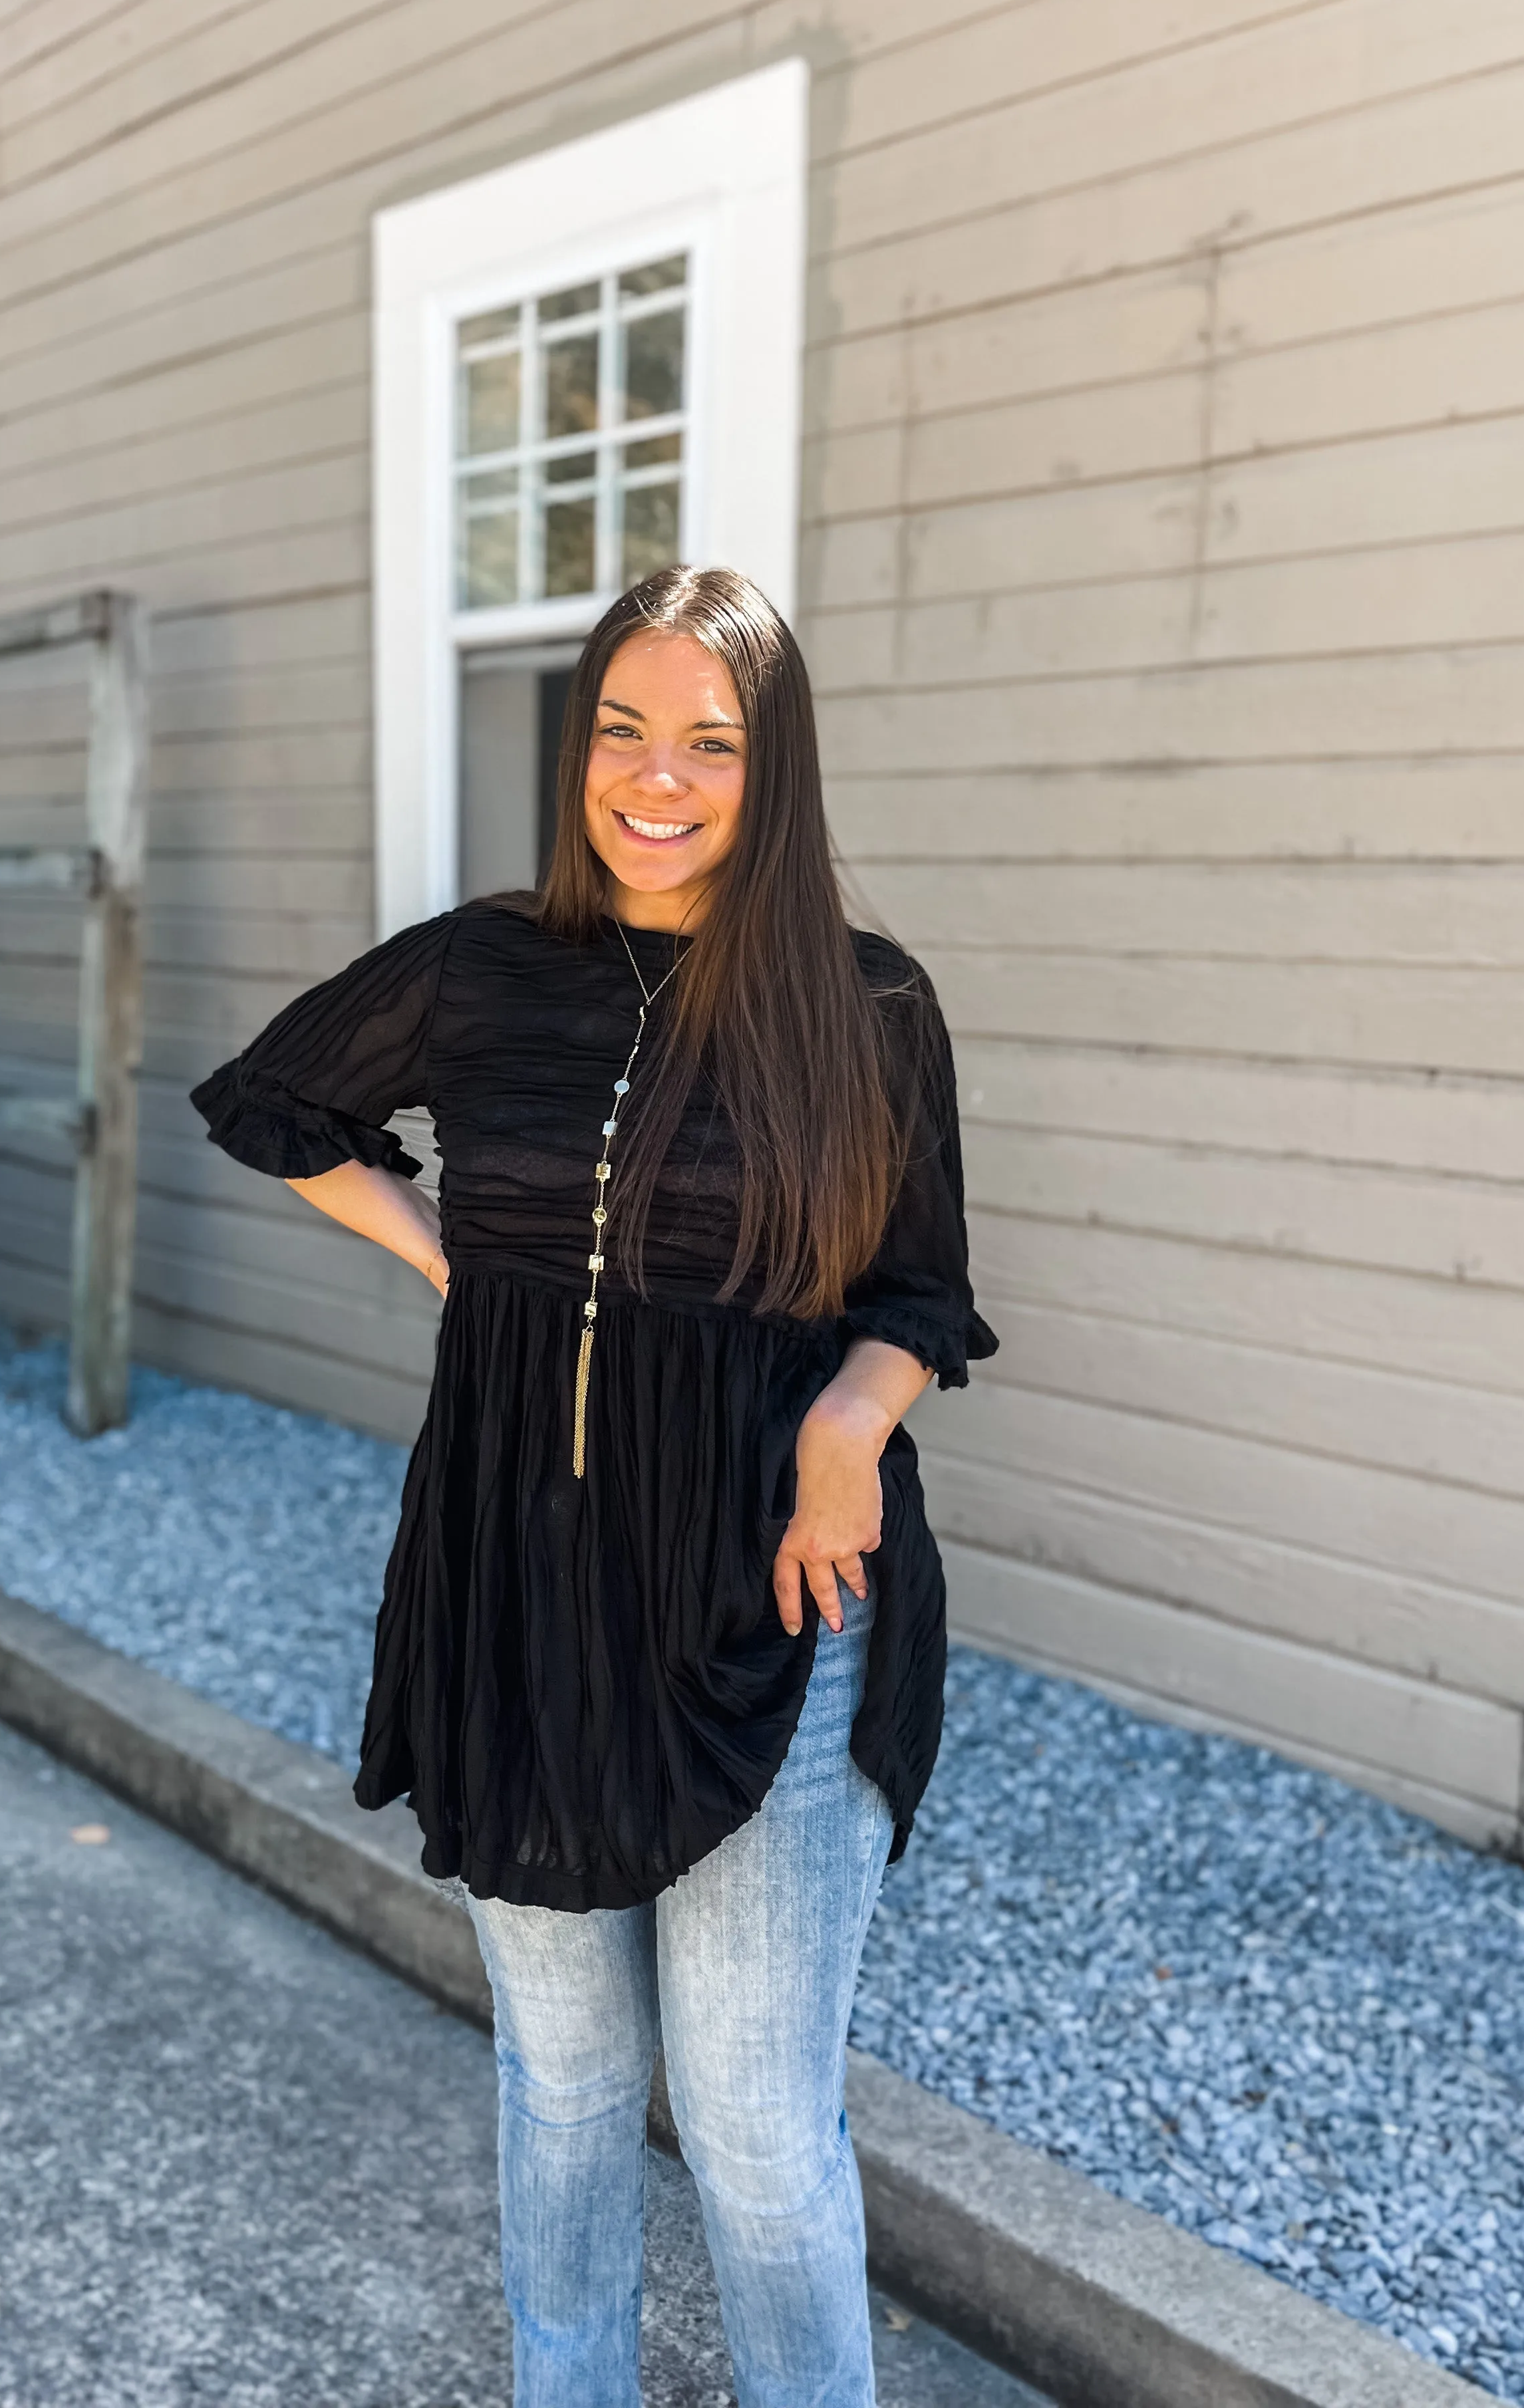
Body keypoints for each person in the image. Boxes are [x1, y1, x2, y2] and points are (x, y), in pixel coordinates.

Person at [192, 564, 994, 2408]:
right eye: (620, 729)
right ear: (579, 746)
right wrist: (455, 1258)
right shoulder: (482, 966)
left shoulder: (868, 1008)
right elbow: (273, 1105)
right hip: (524, 1597)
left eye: (709, 741)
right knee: (559, 2083)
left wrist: (844, 1430)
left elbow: (924, 1297)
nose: (656, 777)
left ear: (769, 769)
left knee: (753, 2122)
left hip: (774, 1607)